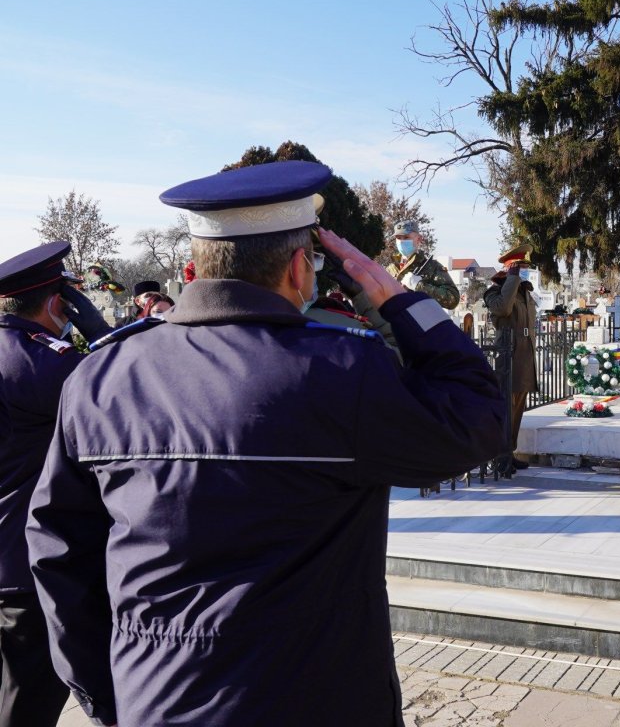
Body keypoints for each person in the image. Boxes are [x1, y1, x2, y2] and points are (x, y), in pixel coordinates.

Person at [26, 160, 506, 727]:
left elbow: (59, 550)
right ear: (301, 269)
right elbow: (478, 420)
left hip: (155, 698)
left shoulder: (102, 379)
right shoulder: (341, 371)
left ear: (196, 266)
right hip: (317, 699)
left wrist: (110, 695)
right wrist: (394, 297)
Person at [0, 241, 111, 727]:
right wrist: (108, 337)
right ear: (56, 303)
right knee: (28, 700)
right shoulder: (47, 363)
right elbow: (124, 396)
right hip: (27, 562)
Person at [483, 243, 538, 470]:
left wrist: (518, 282)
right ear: (510, 268)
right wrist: (512, 279)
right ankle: (499, 456)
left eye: (525, 267)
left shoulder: (525, 291)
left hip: (524, 355)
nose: (525, 270)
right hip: (508, 354)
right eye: (520, 267)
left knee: (518, 409)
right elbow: (503, 309)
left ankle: (510, 451)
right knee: (506, 407)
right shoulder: (494, 291)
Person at [387, 220, 460, 310]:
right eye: (398, 237)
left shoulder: (431, 267)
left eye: (406, 237)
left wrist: (419, 285)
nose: (401, 242)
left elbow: (452, 299)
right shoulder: (390, 268)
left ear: (419, 239)